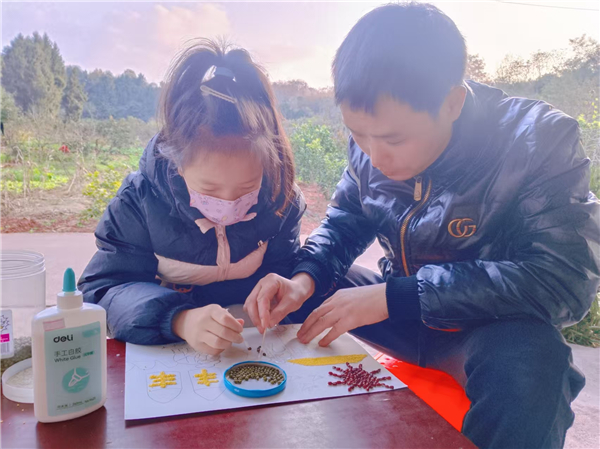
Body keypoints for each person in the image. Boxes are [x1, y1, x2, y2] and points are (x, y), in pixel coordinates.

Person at [244, 4, 600, 448]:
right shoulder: (371, 147)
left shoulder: (536, 141)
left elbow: (564, 280)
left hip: (482, 331)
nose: (374, 157)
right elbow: (344, 222)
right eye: (358, 135)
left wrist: (398, 297)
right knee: (288, 285)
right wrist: (304, 280)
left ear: (452, 103)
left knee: (535, 364)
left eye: (393, 139)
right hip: (400, 310)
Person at [79, 39, 305, 356]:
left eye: (246, 189)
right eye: (210, 190)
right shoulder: (139, 202)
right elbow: (103, 290)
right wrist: (178, 319)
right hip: (168, 345)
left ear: (267, 168)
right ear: (178, 165)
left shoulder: (280, 200)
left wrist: (284, 288)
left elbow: (286, 267)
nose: (227, 206)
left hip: (248, 347)